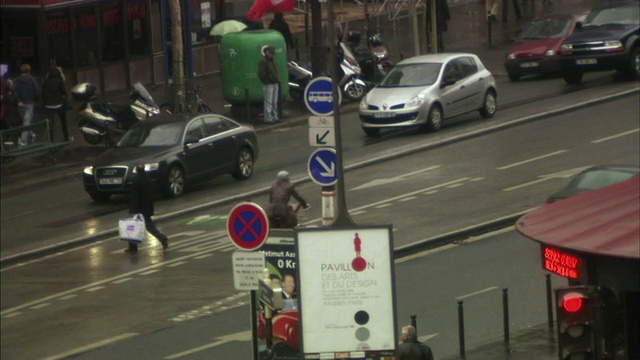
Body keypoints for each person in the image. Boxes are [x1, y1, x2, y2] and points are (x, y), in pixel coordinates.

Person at [126, 164, 169, 253]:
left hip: (137, 209)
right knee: (149, 226)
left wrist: (132, 210)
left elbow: (134, 197)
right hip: (147, 208)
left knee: (132, 228)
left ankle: (133, 247)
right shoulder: (148, 180)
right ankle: (162, 238)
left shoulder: (136, 181)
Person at [41, 66, 70, 142]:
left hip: (48, 105)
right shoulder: (59, 81)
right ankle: (66, 137)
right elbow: (64, 93)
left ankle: (51, 140)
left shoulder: (46, 82)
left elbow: (43, 93)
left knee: (51, 124)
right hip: (58, 104)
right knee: (63, 121)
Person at [13, 63, 39, 144]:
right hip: (29, 102)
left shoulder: (17, 80)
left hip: (21, 103)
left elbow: (15, 92)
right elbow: (36, 91)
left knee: (25, 120)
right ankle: (24, 140)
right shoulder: (32, 79)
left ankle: (31, 134)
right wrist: (35, 99)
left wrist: (18, 101)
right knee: (27, 121)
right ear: (29, 70)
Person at [258, 45, 280, 124]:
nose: (272, 54)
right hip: (269, 84)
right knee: (269, 101)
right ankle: (268, 118)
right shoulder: (264, 61)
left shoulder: (272, 61)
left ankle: (274, 116)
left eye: (273, 53)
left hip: (274, 82)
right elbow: (261, 73)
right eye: (270, 53)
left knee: (274, 101)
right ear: (266, 53)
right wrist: (267, 81)